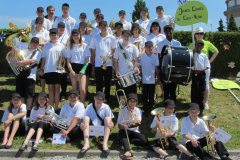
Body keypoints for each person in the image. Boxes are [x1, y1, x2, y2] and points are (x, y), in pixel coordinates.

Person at [189, 27, 219, 110]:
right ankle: (195, 101)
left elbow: (216, 51)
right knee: (196, 85)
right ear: (194, 34)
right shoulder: (192, 44)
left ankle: (205, 102)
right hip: (195, 69)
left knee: (205, 85)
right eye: (197, 33)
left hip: (205, 68)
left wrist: (210, 61)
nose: (199, 35)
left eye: (201, 33)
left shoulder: (207, 43)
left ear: (203, 34)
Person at [12, 37, 41, 116]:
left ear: (38, 44)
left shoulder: (37, 52)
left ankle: (28, 111)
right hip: (21, 74)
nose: (34, 44)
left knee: (29, 95)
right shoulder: (24, 50)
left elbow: (33, 61)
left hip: (30, 75)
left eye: (36, 43)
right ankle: (22, 110)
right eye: (33, 42)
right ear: (30, 43)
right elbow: (14, 57)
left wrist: (20, 62)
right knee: (21, 94)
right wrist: (13, 50)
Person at [90, 20, 117, 102]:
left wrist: (109, 57)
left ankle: (107, 98)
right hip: (98, 64)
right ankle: (98, 98)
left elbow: (114, 51)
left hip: (108, 64)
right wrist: (93, 65)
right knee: (99, 83)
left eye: (105, 26)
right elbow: (93, 52)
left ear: (107, 27)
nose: (103, 28)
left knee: (108, 82)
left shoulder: (112, 38)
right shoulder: (95, 38)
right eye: (101, 26)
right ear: (99, 27)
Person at [39, 28, 65, 112]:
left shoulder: (61, 45)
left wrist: (61, 61)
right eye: (52, 35)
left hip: (58, 70)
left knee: (57, 89)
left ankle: (56, 108)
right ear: (50, 35)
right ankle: (51, 108)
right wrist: (41, 69)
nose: (53, 36)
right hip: (48, 70)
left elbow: (63, 57)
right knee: (50, 89)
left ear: (57, 35)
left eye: (55, 35)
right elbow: (43, 58)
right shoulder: (46, 45)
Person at [64, 29, 91, 104]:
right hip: (73, 68)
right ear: (72, 37)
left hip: (82, 68)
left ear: (80, 36)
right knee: (75, 89)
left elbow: (87, 60)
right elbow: (68, 61)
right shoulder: (70, 46)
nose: (76, 37)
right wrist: (71, 70)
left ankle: (82, 104)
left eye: (77, 35)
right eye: (74, 35)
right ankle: (75, 104)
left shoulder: (85, 46)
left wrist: (83, 70)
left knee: (82, 89)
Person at [118, 93, 148, 159]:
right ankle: (127, 151)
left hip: (135, 131)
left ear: (136, 102)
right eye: (131, 101)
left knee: (145, 141)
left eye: (134, 101)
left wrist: (131, 113)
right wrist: (124, 126)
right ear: (128, 101)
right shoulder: (122, 110)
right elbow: (119, 125)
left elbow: (138, 122)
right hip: (125, 130)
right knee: (122, 132)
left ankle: (128, 140)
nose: (132, 103)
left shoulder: (138, 110)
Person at [157, 25, 181, 103]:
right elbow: (159, 57)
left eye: (170, 30)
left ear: (172, 31)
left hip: (174, 68)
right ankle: (166, 105)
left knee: (173, 88)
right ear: (164, 32)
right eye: (167, 31)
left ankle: (173, 106)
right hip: (165, 68)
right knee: (166, 88)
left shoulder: (177, 43)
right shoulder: (161, 43)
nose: (169, 32)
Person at [113, 30, 140, 99]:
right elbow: (115, 61)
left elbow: (137, 59)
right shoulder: (118, 49)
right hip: (121, 74)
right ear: (121, 37)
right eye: (125, 36)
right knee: (121, 95)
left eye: (128, 36)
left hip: (131, 74)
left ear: (130, 37)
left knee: (131, 96)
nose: (126, 37)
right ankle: (122, 108)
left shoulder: (133, 47)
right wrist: (116, 71)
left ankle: (131, 109)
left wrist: (136, 67)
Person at [139, 41, 160, 118]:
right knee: (144, 96)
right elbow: (140, 67)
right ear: (145, 48)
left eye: (149, 47)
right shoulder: (142, 57)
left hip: (152, 80)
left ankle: (151, 109)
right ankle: (145, 110)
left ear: (152, 48)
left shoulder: (155, 57)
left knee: (151, 96)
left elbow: (156, 68)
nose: (148, 48)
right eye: (146, 47)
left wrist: (157, 77)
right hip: (144, 80)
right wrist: (140, 76)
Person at [191, 40, 210, 117]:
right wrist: (192, 53)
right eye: (197, 45)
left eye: (200, 45)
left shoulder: (204, 55)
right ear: (195, 45)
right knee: (195, 91)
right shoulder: (193, 54)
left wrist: (201, 70)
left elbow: (207, 66)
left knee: (201, 92)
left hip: (201, 74)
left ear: (202, 47)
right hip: (195, 74)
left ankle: (200, 109)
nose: (199, 47)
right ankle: (193, 108)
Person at [78, 21, 93, 97]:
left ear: (86, 28)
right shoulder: (77, 36)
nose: (82, 28)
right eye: (81, 27)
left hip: (87, 58)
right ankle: (78, 92)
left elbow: (91, 47)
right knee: (79, 76)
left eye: (84, 27)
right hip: (79, 59)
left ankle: (85, 92)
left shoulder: (89, 37)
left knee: (86, 76)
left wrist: (85, 47)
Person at [57, 22, 70, 102]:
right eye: (60, 27)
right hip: (55, 60)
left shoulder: (67, 37)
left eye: (63, 27)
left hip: (64, 59)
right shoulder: (54, 36)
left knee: (64, 78)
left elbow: (68, 48)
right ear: (58, 27)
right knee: (57, 78)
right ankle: (57, 93)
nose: (61, 28)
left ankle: (63, 94)